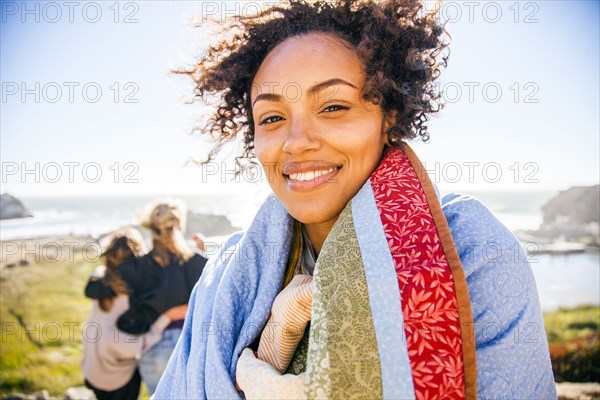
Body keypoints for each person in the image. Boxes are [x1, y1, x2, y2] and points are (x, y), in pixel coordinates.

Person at [154, 0, 557, 398]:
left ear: (390, 117)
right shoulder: (224, 273)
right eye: (272, 118)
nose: (297, 143)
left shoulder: (472, 250)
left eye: (333, 106)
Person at [114, 200, 208, 395]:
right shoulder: (197, 262)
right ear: (180, 225)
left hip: (153, 349)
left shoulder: (137, 267)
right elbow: (209, 301)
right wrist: (204, 255)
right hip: (189, 346)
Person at [81, 227, 174, 399]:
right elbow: (134, 345)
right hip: (117, 378)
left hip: (92, 369)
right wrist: (166, 319)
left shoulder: (101, 283)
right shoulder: (133, 294)